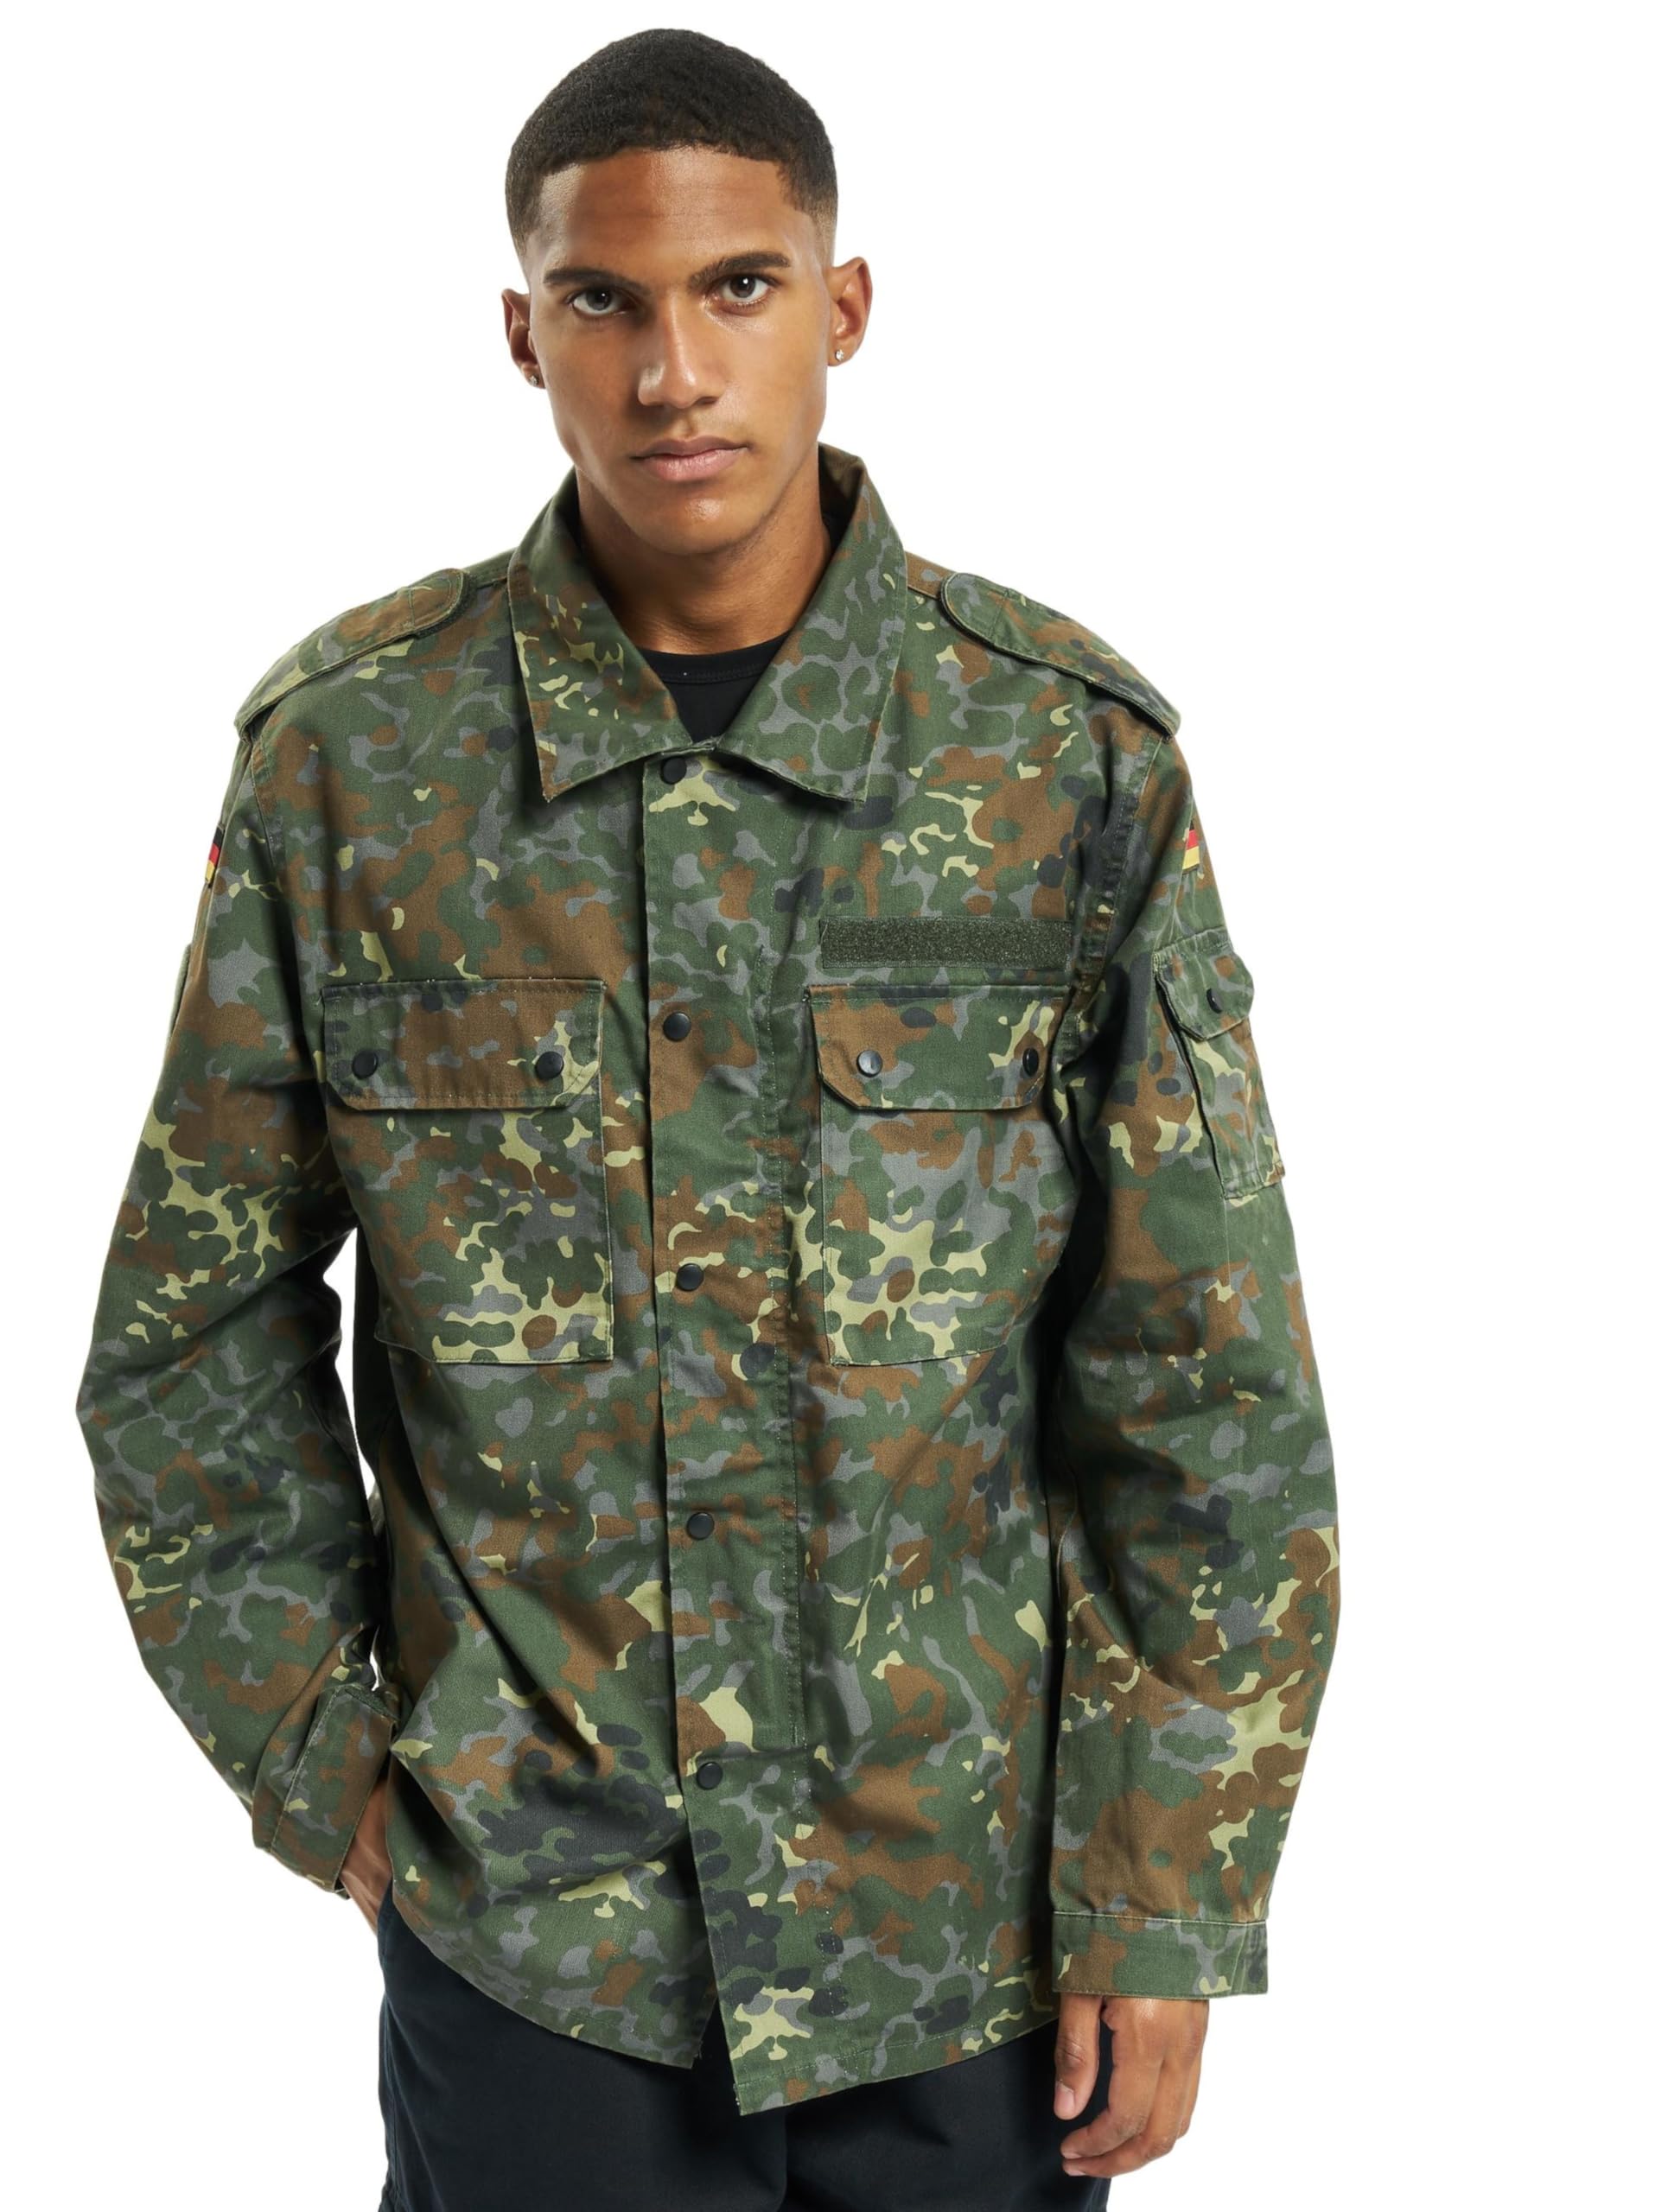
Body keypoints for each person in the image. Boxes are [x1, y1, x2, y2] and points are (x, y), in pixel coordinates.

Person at [73, 27, 1341, 2209]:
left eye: (736, 289)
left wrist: (1163, 1877)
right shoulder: (351, 765)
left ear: (840, 308)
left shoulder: (1057, 758)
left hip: (969, 1936)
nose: (673, 372)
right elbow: (190, 1332)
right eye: (605, 301)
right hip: (537, 1941)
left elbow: (1198, 1371)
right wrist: (328, 1759)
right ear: (522, 333)